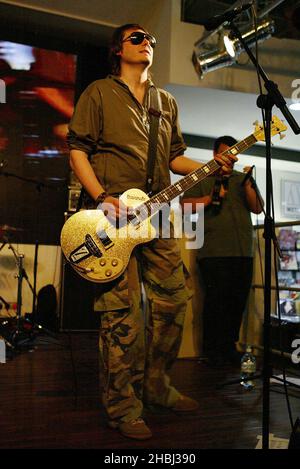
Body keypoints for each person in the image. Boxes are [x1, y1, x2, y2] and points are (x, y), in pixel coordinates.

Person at [67, 24, 236, 440]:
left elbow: (174, 158)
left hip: (160, 215)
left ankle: (157, 386)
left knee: (173, 302)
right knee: (121, 315)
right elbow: (77, 149)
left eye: (152, 41)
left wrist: (209, 165)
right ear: (117, 49)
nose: (149, 44)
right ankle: (123, 406)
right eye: (138, 38)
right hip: (112, 216)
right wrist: (102, 196)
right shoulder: (99, 93)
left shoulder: (166, 102)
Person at [181, 136, 264, 368]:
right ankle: (211, 351)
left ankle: (229, 348)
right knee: (216, 302)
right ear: (215, 154)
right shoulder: (203, 176)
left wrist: (249, 184)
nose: (229, 158)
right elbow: (184, 205)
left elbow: (258, 208)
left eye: (233, 154)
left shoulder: (241, 178)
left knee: (237, 302)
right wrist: (209, 199)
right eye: (225, 153)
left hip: (243, 251)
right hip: (213, 251)